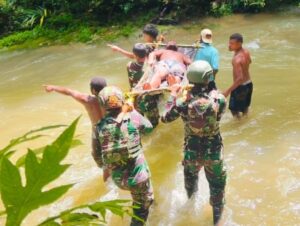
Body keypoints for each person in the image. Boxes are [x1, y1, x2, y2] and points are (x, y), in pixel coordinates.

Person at [161, 61, 227, 225]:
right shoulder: (219, 99)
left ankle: (189, 212)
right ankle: (217, 221)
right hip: (214, 152)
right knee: (217, 189)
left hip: (192, 152)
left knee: (191, 183)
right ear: (208, 79)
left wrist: (174, 95)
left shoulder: (183, 103)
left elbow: (165, 118)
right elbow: (215, 114)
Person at [93, 86, 154, 226]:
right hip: (138, 178)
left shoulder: (98, 127)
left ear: (102, 104)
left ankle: (148, 202)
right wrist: (135, 112)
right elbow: (149, 128)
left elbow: (96, 156)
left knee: (143, 199)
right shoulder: (132, 116)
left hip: (118, 179)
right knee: (140, 213)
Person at [43, 77, 109, 179]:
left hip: (98, 132)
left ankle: (108, 181)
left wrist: (53, 87)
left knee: (102, 161)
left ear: (93, 90)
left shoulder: (88, 100)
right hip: (112, 127)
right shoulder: (112, 98)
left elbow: (70, 92)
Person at [223, 33, 253, 118]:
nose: (229, 45)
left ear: (239, 44)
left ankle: (239, 126)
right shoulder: (246, 52)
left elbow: (240, 79)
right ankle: (245, 122)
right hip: (249, 84)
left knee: (234, 110)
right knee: (245, 109)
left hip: (240, 87)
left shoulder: (237, 59)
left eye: (232, 44)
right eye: (229, 43)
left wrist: (227, 91)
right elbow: (250, 61)